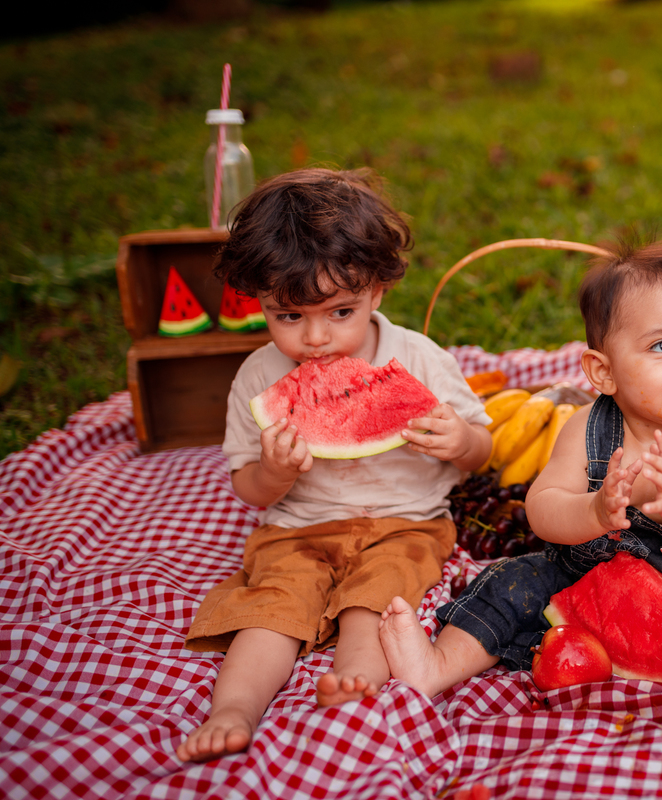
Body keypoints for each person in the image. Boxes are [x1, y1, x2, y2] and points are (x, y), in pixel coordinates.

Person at [379, 241, 662, 754]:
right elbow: (543, 509)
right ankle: (438, 665)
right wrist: (592, 510)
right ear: (603, 372)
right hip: (590, 572)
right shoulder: (585, 430)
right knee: (513, 579)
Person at [176, 168, 492, 762]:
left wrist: (458, 441)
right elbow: (249, 487)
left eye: (339, 313)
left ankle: (356, 686)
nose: (316, 339)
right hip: (296, 528)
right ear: (260, 303)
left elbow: (481, 451)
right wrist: (275, 471)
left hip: (408, 522)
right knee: (270, 606)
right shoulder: (258, 377)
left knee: (374, 602)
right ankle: (232, 710)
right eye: (288, 316)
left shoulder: (420, 361)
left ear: (377, 291)